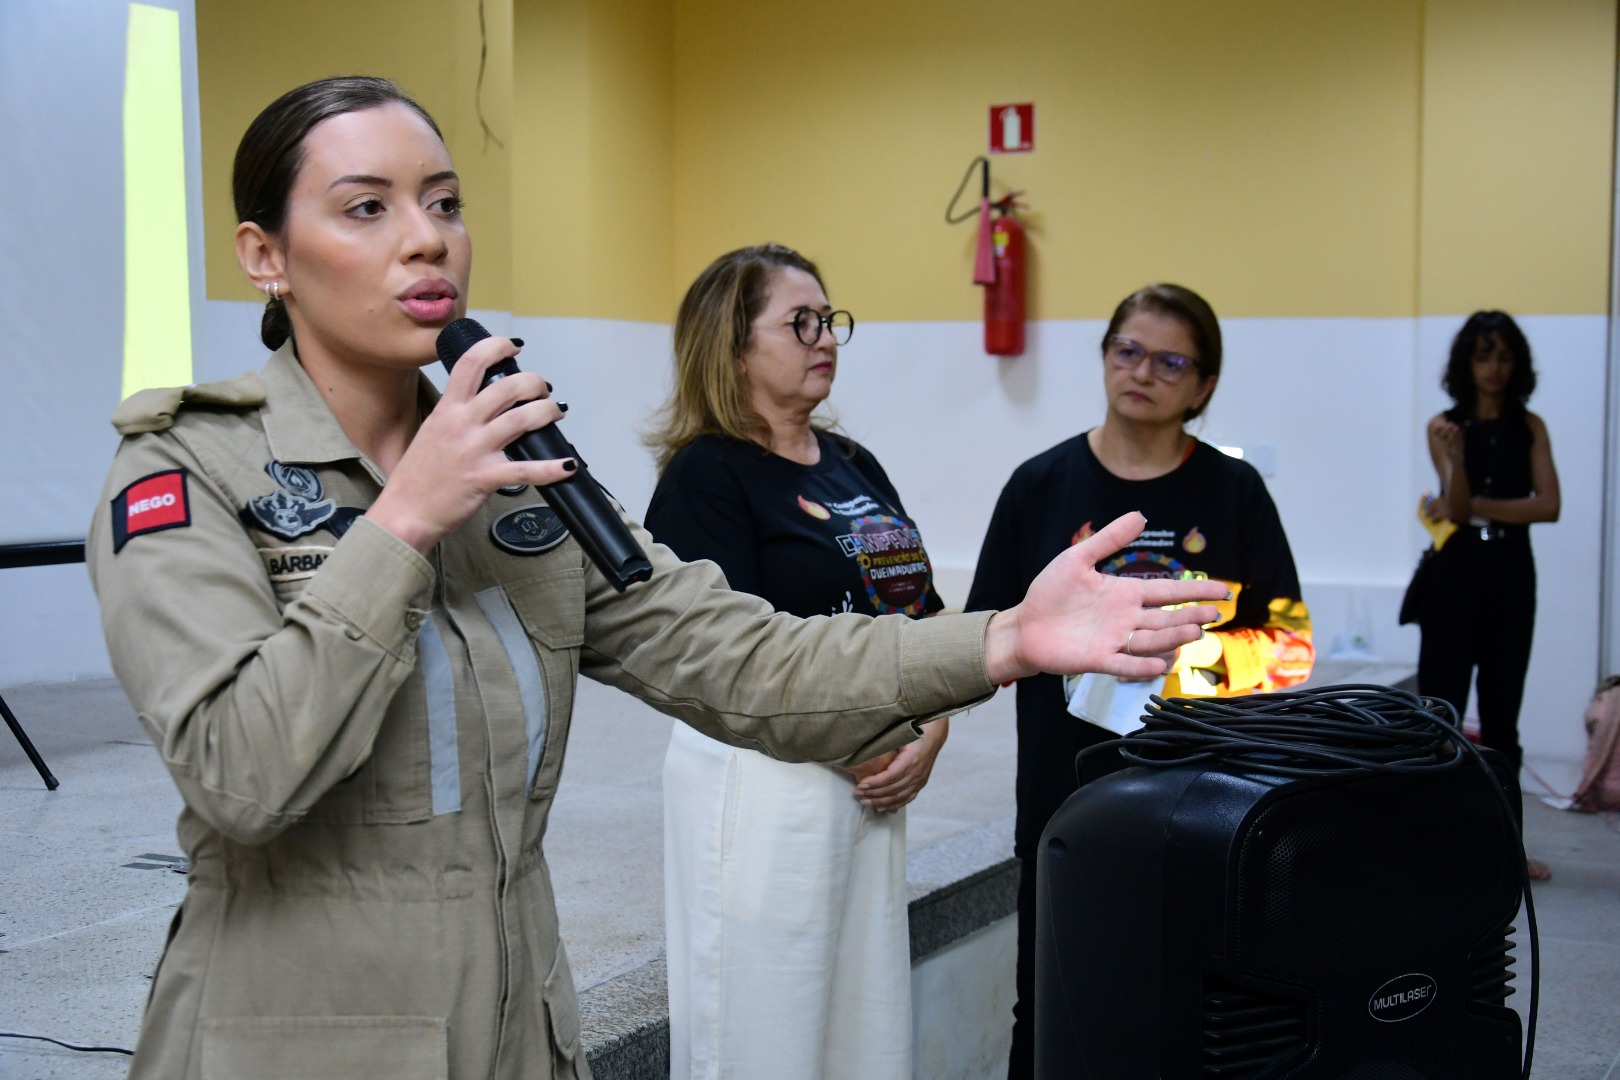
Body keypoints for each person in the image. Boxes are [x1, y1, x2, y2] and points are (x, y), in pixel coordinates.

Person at [85, 79, 1227, 1080]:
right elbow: (239, 772)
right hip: (304, 1037)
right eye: (366, 207)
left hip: (511, 1026)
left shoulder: (523, 486)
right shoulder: (187, 469)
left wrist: (1002, 640)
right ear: (264, 255)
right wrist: (404, 520)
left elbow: (746, 655)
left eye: (444, 202)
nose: (426, 239)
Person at [964, 283, 1314, 1079]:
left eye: (1170, 359)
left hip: (1202, 802)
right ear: (1104, 357)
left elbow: (1290, 649)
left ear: (1204, 386)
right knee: (1051, 1009)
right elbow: (979, 635)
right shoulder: (1039, 485)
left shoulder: (1234, 491)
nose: (1142, 371)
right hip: (1065, 800)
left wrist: (1174, 662)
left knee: (1190, 1017)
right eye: (1127, 349)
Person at [643, 244, 946, 1080]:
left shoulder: (855, 465)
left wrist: (933, 728)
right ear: (732, 345)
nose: (825, 339)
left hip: (873, 780)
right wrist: (867, 738)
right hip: (764, 781)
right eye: (800, 323)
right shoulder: (705, 477)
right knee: (762, 1029)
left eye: (830, 320)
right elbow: (714, 657)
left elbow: (920, 612)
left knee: (863, 1027)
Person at [1420, 311, 1560, 879]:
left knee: (1503, 720)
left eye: (1503, 357)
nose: (1494, 369)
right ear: (1466, 363)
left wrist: (1479, 505)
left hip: (1510, 572)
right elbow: (1454, 508)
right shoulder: (1444, 426)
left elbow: (1548, 506)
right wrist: (1455, 463)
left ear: (1516, 363)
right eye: (1484, 357)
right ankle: (1437, 847)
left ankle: (1507, 853)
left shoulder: (1531, 427)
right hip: (1455, 573)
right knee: (1441, 717)